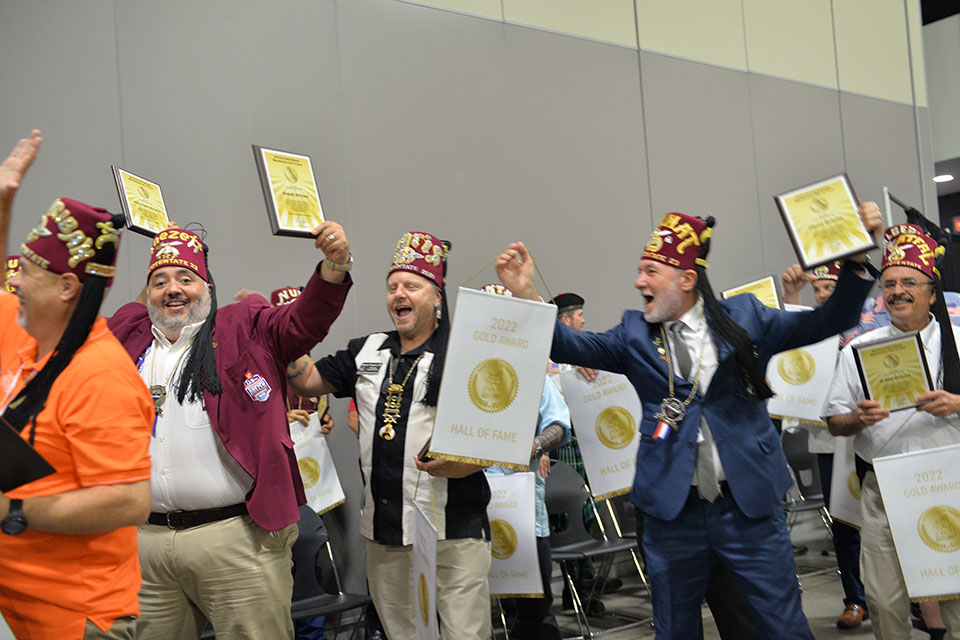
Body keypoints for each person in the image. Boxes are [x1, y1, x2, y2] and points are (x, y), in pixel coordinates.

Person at [497, 209, 876, 639]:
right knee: (675, 629)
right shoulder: (634, 333)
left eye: (651, 272)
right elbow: (569, 344)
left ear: (686, 279)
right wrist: (526, 291)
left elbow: (829, 320)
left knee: (783, 625)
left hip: (748, 507)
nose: (639, 282)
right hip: (672, 514)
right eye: (640, 271)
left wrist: (856, 264)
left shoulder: (747, 318)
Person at [107, 216, 353, 639]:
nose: (173, 290)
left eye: (186, 278)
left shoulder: (242, 326)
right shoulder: (130, 334)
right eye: (160, 281)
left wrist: (334, 267)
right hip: (146, 542)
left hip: (237, 539)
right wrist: (167, 245)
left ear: (208, 286)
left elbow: (302, 322)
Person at [289, 231, 493, 639]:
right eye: (392, 286)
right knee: (402, 633)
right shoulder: (366, 351)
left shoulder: (467, 353)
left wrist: (461, 464)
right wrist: (286, 332)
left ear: (437, 297)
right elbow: (307, 380)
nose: (399, 293)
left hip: (454, 530)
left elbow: (490, 442)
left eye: (412, 286)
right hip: (384, 533)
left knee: (464, 634)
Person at [0, 130, 154, 639]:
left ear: (67, 286)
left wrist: (13, 511)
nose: (14, 281)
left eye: (26, 271)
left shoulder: (100, 375)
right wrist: (4, 201)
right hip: (20, 610)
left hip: (76, 620)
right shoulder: (27, 341)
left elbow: (129, 500)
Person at [822, 223, 960, 639]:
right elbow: (834, 420)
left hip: (950, 483)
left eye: (909, 282)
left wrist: (957, 403)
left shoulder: (959, 342)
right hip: (884, 490)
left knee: (956, 597)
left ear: (932, 293)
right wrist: (857, 419)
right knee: (884, 600)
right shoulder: (858, 350)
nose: (897, 291)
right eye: (889, 284)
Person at [782, 259, 871, 629]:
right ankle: (856, 599)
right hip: (827, 438)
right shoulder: (811, 328)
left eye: (831, 287)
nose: (824, 294)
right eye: (819, 288)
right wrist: (791, 294)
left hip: (874, 432)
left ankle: (912, 596)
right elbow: (785, 342)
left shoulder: (872, 325)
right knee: (845, 522)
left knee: (887, 517)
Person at [482, 283, 570, 639]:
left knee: (536, 606)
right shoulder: (460, 370)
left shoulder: (532, 370)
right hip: (472, 506)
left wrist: (533, 446)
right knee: (474, 606)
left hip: (523, 506)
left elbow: (559, 424)